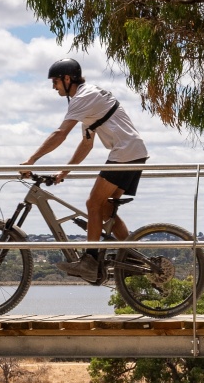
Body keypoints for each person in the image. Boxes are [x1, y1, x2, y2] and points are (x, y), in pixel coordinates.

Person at [20, 58, 149, 284]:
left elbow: (60, 133)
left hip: (124, 152)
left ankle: (90, 260)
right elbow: (86, 144)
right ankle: (134, 257)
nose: (54, 88)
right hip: (134, 151)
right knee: (106, 210)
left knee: (92, 204)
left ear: (68, 79)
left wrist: (32, 160)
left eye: (56, 82)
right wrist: (65, 172)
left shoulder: (81, 98)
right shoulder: (87, 100)